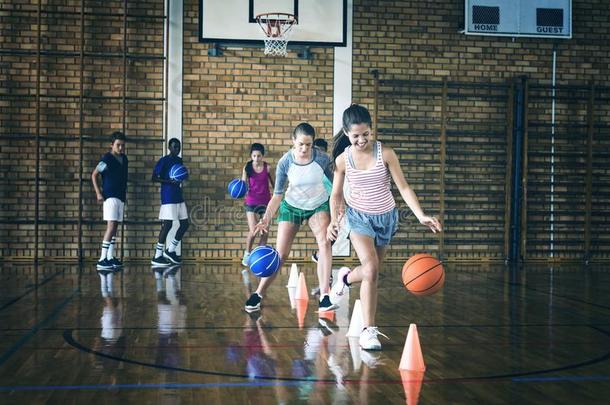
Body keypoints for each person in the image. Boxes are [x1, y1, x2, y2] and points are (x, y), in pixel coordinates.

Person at [327, 104, 442, 351]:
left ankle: (345, 277)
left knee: (373, 272)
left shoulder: (386, 153)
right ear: (347, 134)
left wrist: (420, 215)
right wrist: (334, 222)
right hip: (358, 218)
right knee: (370, 269)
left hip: (386, 218)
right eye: (356, 136)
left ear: (371, 129)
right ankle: (369, 331)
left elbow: (403, 187)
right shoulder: (342, 160)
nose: (361, 140)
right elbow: (335, 195)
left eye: (366, 134)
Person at [244, 123, 337, 313]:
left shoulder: (322, 159)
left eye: (308, 145)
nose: (304, 149)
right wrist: (265, 220)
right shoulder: (285, 162)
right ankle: (258, 294)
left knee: (325, 244)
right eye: (301, 144)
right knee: (281, 255)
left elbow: (335, 187)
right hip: (291, 206)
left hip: (318, 205)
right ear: (293, 141)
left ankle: (325, 297)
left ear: (313, 144)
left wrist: (336, 215)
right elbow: (277, 195)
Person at [91, 131, 128, 270]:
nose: (121, 148)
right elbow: (94, 175)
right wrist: (98, 193)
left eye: (123, 146)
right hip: (110, 195)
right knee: (111, 226)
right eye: (118, 145)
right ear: (111, 145)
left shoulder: (124, 159)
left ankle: (110, 257)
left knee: (115, 227)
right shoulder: (106, 159)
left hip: (120, 196)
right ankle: (102, 259)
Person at [150, 138, 189, 266]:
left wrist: (184, 176)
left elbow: (182, 175)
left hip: (178, 195)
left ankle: (171, 250)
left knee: (184, 224)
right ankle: (157, 255)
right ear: (169, 148)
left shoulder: (179, 161)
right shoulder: (164, 161)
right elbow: (154, 178)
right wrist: (169, 181)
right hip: (168, 196)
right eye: (175, 147)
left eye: (179, 147)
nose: (177, 149)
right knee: (167, 225)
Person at [241, 143, 274, 266]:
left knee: (265, 232)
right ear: (251, 156)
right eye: (254, 156)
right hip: (251, 202)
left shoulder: (268, 168)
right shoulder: (247, 168)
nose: (256, 159)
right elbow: (243, 185)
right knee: (253, 230)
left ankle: (259, 256)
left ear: (262, 156)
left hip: (266, 202)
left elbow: (275, 185)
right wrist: (239, 191)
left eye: (259, 156)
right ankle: (247, 254)